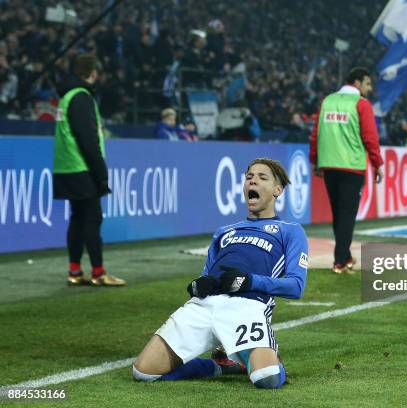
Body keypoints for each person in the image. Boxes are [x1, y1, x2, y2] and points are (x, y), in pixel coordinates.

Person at [133, 158, 308, 389]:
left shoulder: (290, 231)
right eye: (249, 177)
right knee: (143, 372)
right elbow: (205, 274)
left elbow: (296, 286)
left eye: (262, 177)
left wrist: (250, 281)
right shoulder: (224, 232)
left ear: (278, 190)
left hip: (248, 306)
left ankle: (260, 357)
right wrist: (198, 285)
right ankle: (223, 366)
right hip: (203, 306)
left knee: (267, 378)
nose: (253, 180)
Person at [53, 53, 126, 287]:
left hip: (66, 166)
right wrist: (101, 174)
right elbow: (88, 140)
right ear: (93, 72)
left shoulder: (67, 96)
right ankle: (98, 272)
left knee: (78, 217)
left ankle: (74, 271)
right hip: (81, 167)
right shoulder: (82, 97)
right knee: (93, 218)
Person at [309, 67, 384, 274]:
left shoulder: (328, 101)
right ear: (357, 83)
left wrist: (315, 160)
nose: (369, 89)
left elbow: (316, 134)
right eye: (367, 84)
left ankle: (345, 256)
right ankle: (339, 260)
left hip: (329, 165)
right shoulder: (361, 104)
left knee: (338, 214)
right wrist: (377, 164)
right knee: (347, 215)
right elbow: (370, 137)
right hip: (352, 166)